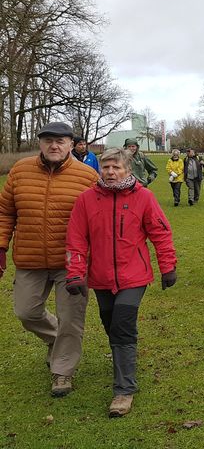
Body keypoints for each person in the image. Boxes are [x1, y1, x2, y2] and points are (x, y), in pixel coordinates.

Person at [65, 148, 177, 417]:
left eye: (116, 167)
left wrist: (168, 267)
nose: (111, 172)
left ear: (128, 169)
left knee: (123, 326)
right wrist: (75, 272)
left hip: (133, 276)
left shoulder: (144, 198)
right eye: (106, 167)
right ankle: (122, 357)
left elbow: (161, 233)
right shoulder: (87, 200)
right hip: (101, 277)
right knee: (110, 324)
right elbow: (76, 239)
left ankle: (123, 391)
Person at [0, 122, 98, 397]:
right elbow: (5, 212)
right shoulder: (20, 170)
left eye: (61, 141)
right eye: (48, 141)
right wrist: (1, 246)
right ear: (40, 143)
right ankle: (56, 340)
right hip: (30, 258)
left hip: (72, 263)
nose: (54, 146)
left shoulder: (87, 176)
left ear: (71, 144)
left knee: (71, 318)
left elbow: (97, 219)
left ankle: (62, 373)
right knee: (26, 312)